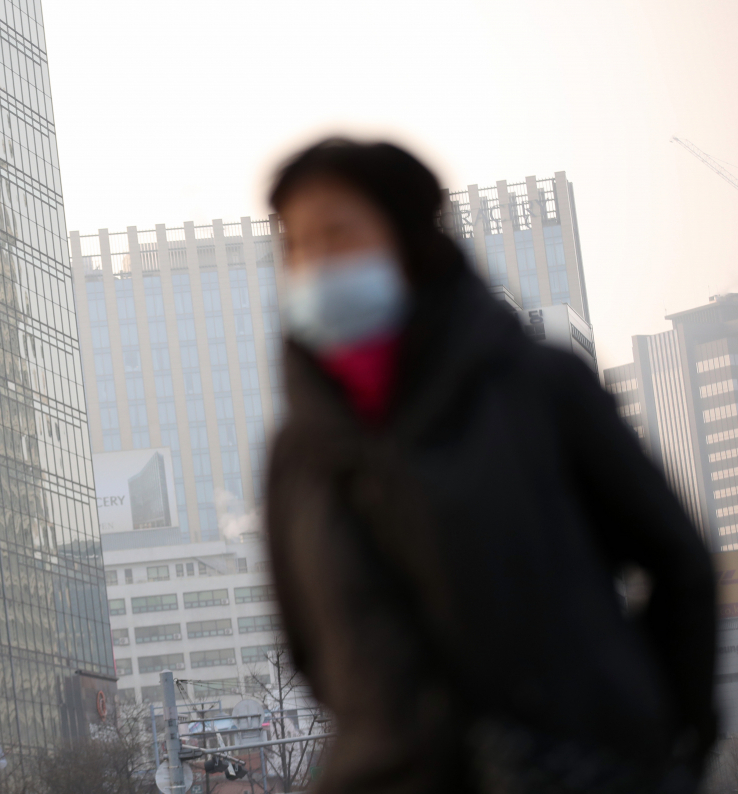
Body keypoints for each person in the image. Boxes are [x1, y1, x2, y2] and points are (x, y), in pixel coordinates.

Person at [263, 138, 717, 793]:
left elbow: (679, 566)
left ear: (410, 240)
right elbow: (313, 651)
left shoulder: (539, 386)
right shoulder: (297, 456)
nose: (317, 264)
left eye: (340, 233)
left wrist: (656, 733)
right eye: (298, 246)